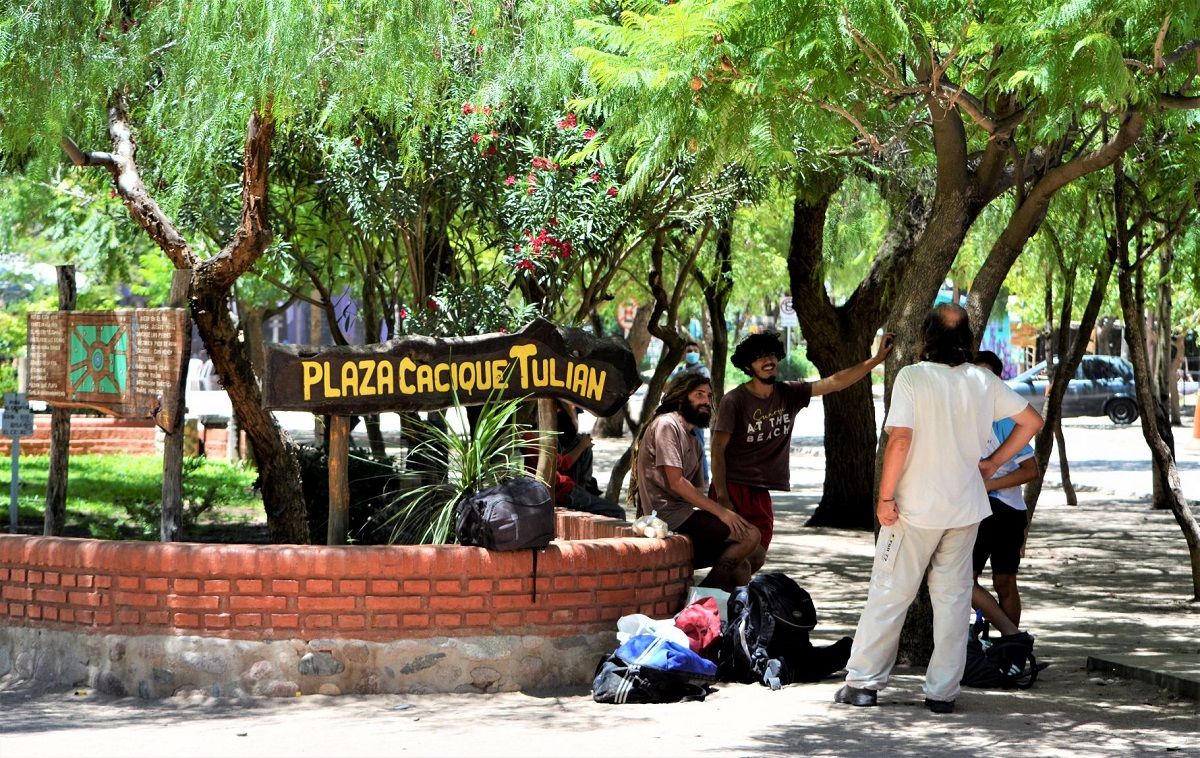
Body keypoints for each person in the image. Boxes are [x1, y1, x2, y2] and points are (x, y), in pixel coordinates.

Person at [835, 304, 1043, 714]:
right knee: (952, 600)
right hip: (964, 508)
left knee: (891, 593)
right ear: (967, 340)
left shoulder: (912, 377)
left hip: (913, 508)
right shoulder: (982, 381)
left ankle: (863, 683)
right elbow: (1032, 421)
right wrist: (993, 463)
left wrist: (885, 497)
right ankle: (942, 693)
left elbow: (899, 441)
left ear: (925, 336)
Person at [711, 330, 894, 553]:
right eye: (759, 357)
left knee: (756, 557)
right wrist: (722, 497)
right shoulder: (734, 401)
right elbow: (717, 448)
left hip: (760, 491)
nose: (768, 361)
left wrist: (876, 360)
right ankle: (710, 589)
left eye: (771, 355)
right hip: (732, 488)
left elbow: (834, 382)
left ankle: (727, 590)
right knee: (733, 556)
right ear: (749, 366)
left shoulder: (789, 393)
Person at [631, 373, 763, 592]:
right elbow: (676, 483)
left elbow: (698, 490)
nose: (706, 401)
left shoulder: (693, 438)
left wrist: (723, 509)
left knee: (751, 556)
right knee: (750, 536)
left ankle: (727, 616)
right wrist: (722, 514)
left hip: (685, 515)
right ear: (681, 398)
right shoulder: (667, 425)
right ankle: (701, 596)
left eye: (709, 396)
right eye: (699, 395)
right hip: (667, 517)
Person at [971, 350, 1039, 636]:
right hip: (972, 509)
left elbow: (1030, 470)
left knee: (1005, 582)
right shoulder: (962, 415)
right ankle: (1012, 637)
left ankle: (1011, 649)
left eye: (987, 376)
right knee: (962, 580)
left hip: (1005, 511)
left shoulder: (1006, 419)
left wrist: (989, 485)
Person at [670, 340, 712, 485]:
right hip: (680, 414)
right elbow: (670, 386)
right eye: (689, 351)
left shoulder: (702, 370)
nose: (692, 353)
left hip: (696, 414)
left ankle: (704, 479)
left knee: (698, 446)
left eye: (695, 350)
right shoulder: (679, 371)